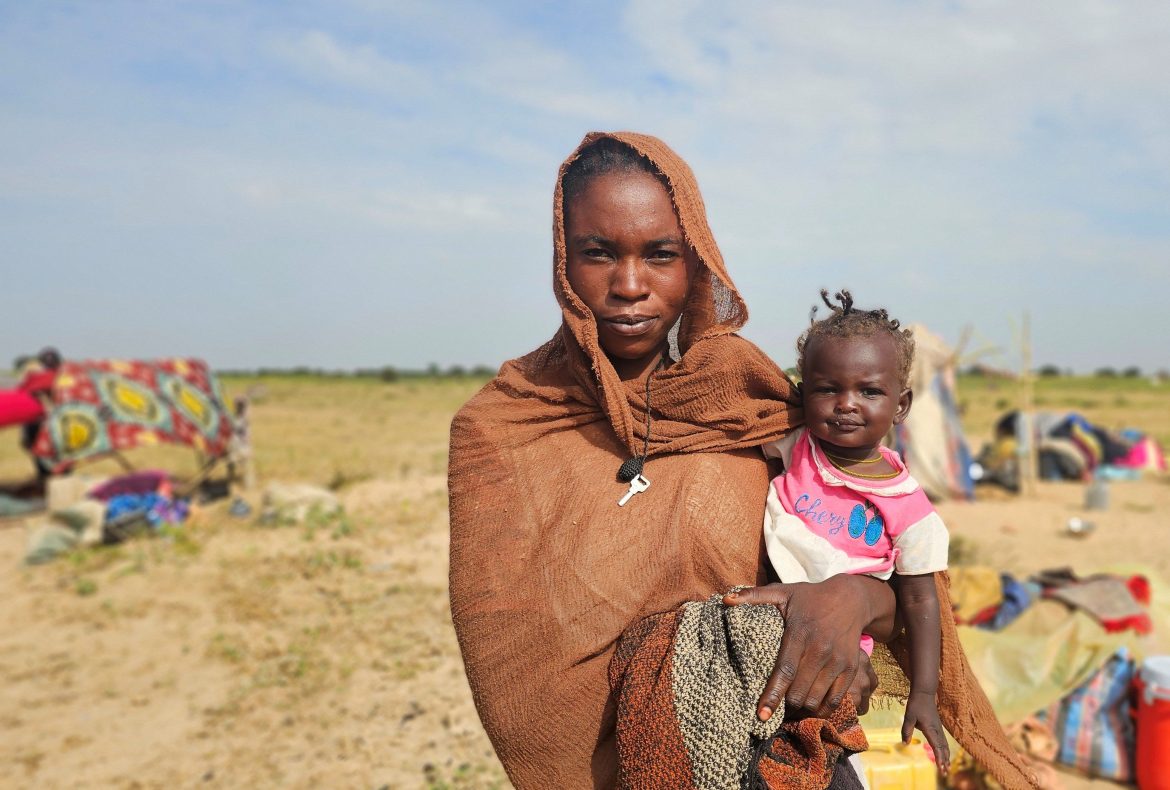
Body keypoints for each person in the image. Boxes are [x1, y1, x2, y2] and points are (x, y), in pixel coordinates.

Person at [448, 132, 1035, 789]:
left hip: (788, 750)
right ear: (563, 259)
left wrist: (852, 597)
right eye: (598, 253)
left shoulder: (748, 397)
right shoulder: (505, 429)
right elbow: (515, 666)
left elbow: (892, 586)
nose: (630, 285)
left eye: (660, 254)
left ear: (695, 261)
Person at [763, 290, 950, 773]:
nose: (846, 405)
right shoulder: (793, 443)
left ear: (901, 404)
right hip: (762, 617)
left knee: (815, 753)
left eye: (869, 392)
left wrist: (924, 694)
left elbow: (921, 601)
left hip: (837, 653)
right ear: (803, 393)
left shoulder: (909, 508)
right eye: (827, 389)